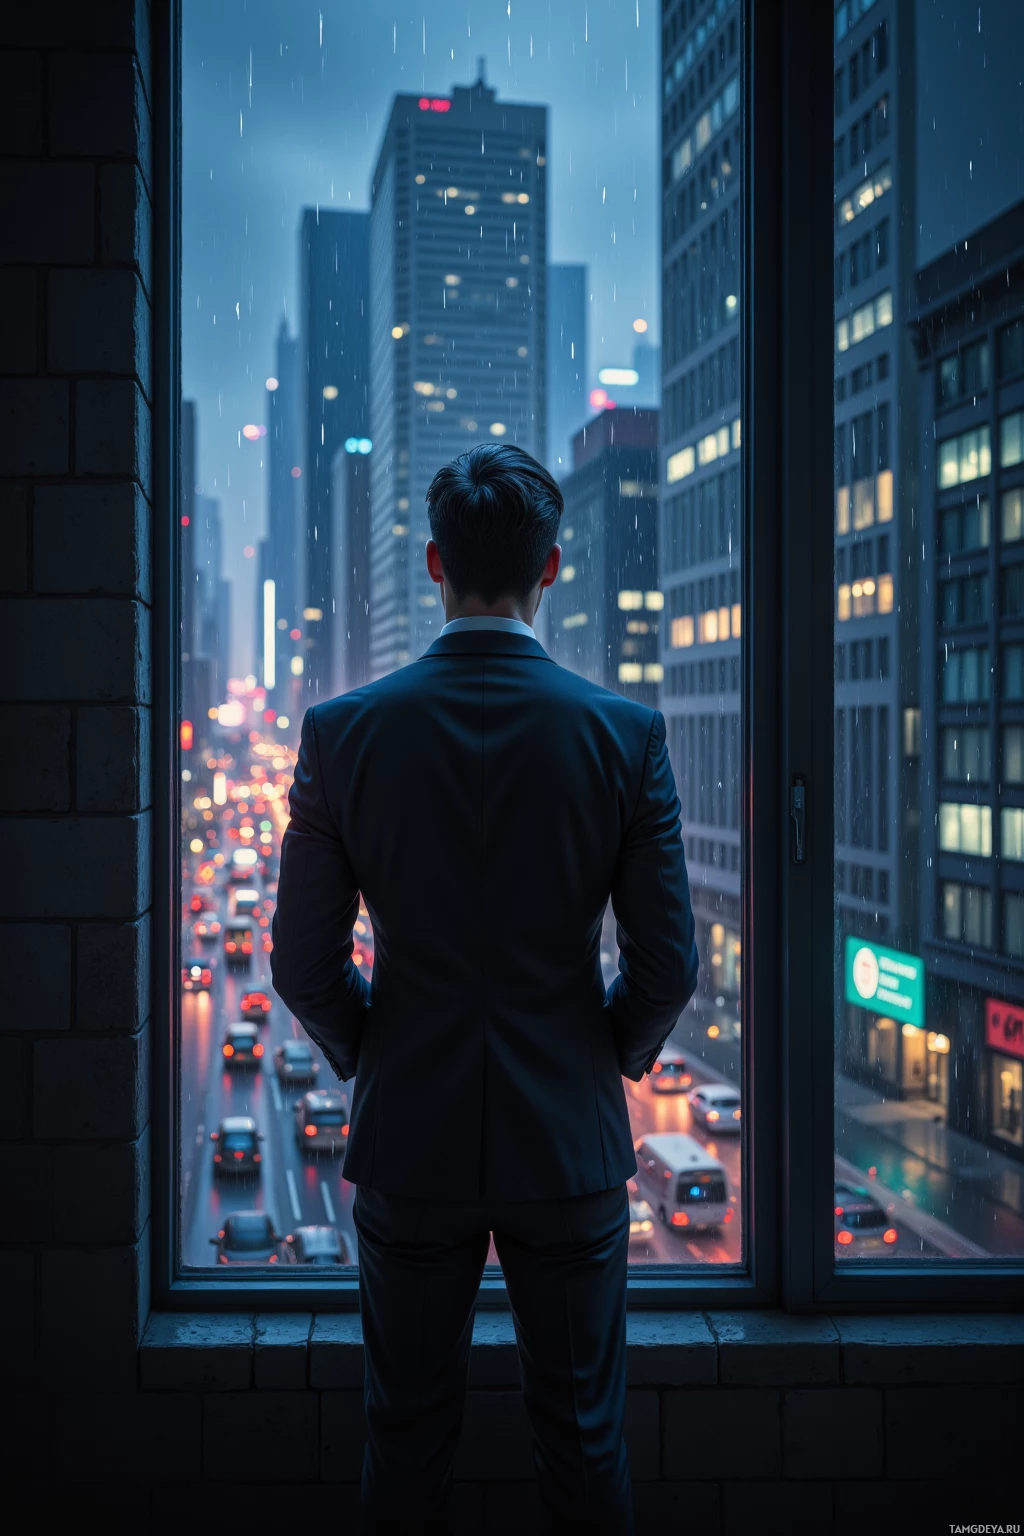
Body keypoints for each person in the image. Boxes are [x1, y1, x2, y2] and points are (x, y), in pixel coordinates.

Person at [272, 442, 699, 1536]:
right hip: (567, 1145)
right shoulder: (624, 735)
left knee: (404, 1445)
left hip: (410, 1140)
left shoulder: (343, 734)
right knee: (585, 1444)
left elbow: (301, 962)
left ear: (431, 564)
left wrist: (376, 1049)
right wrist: (599, 1051)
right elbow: (665, 967)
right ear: (552, 568)